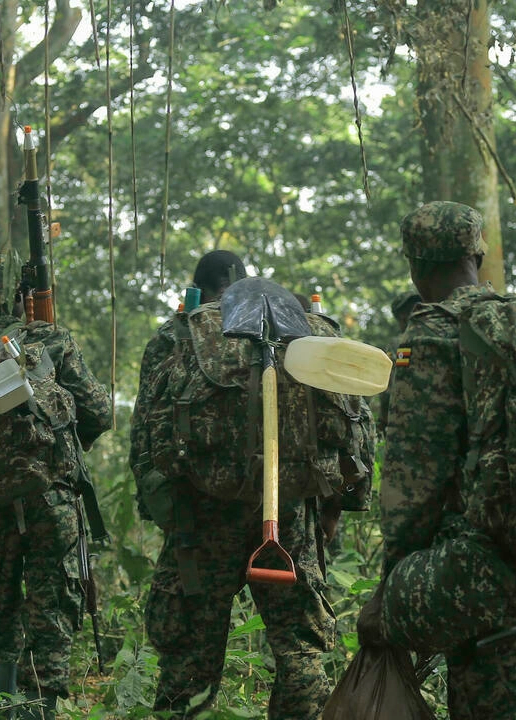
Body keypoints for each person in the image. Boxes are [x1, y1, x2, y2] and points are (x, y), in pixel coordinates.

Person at [357, 201, 516, 719]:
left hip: (481, 565)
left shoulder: (433, 333)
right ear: (478, 253)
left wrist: (393, 585)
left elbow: (412, 480)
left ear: (416, 265)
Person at [130, 250, 337, 719]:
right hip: (288, 514)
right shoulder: (296, 328)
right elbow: (342, 423)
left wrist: (165, 513)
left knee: (189, 658)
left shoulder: (180, 333)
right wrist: (329, 510)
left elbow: (146, 435)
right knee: (301, 650)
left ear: (198, 290)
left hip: (201, 515)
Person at [0, 255, 112, 718]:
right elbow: (99, 413)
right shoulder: (52, 340)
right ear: (21, 295)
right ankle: (39, 711)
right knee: (52, 605)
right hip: (51, 499)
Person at [376, 291, 420, 436]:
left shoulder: (399, 343)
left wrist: (383, 420)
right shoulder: (445, 331)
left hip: (408, 420)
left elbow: (389, 387)